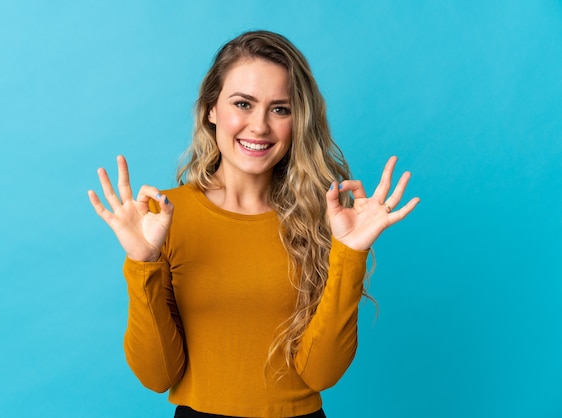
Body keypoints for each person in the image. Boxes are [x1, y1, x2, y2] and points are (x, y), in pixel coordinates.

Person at [88, 30, 419, 418]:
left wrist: (350, 252)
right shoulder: (162, 216)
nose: (259, 126)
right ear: (211, 109)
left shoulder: (324, 218)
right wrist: (143, 261)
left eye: (280, 109)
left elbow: (321, 374)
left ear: (298, 120)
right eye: (243, 103)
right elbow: (158, 376)